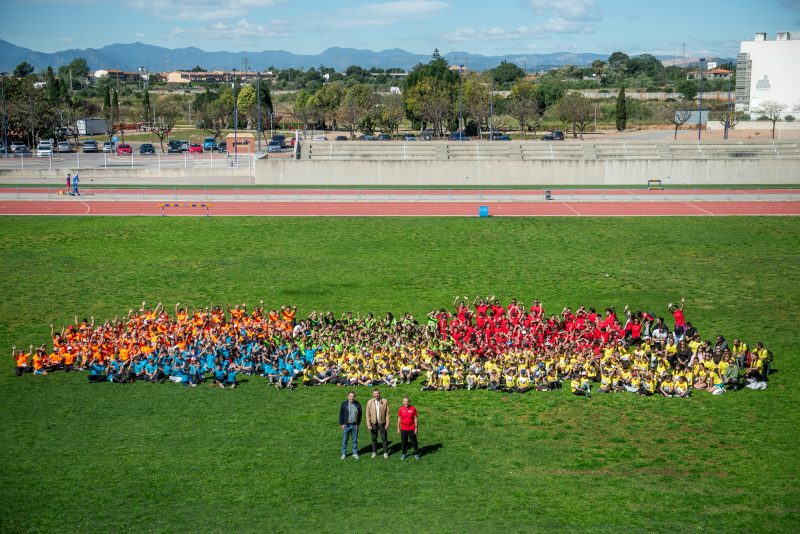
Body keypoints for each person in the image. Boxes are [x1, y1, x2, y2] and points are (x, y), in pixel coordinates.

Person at [366, 389, 390, 459]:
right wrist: (368, 424)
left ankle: (385, 452)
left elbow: (387, 414)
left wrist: (387, 424)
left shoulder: (385, 401)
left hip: (382, 423)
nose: (376, 395)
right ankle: (374, 452)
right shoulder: (370, 402)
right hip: (373, 423)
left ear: (380, 394)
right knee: (374, 439)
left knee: (384, 438)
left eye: (377, 393)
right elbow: (367, 414)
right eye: (375, 394)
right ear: (373, 395)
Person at [339, 391, 362, 460]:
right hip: (346, 425)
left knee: (354, 440)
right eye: (351, 396)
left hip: (355, 425)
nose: (352, 398)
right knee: (344, 440)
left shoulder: (357, 404)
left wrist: (358, 423)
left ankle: (355, 453)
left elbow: (360, 414)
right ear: (348, 397)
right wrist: (342, 424)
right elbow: (341, 414)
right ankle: (343, 454)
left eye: (353, 396)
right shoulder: (344, 404)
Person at [397, 395, 420, 460]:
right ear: (403, 402)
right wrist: (398, 428)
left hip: (411, 428)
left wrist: (416, 427)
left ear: (409, 402)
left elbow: (415, 418)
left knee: (414, 442)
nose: (406, 403)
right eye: (404, 401)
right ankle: (403, 454)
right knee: (404, 442)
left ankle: (417, 454)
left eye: (407, 401)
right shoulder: (401, 409)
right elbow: (399, 418)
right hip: (403, 429)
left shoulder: (413, 408)